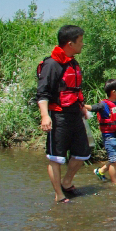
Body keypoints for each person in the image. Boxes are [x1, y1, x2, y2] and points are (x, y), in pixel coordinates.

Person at [36, 25, 90, 204]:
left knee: (83, 152)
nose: (82, 44)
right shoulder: (51, 64)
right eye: (80, 41)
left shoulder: (73, 62)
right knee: (56, 157)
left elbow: (74, 89)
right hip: (58, 115)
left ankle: (66, 182)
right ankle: (59, 194)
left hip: (75, 114)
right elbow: (42, 93)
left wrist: (81, 106)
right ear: (70, 43)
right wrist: (45, 115)